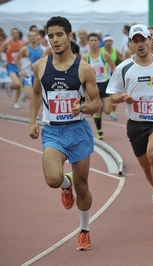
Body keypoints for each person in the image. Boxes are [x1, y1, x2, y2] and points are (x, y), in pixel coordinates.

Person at [29, 16, 101, 251]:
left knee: (82, 186)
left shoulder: (84, 68)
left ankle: (84, 230)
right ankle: (63, 183)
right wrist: (32, 121)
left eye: (59, 34)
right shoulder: (40, 66)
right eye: (51, 36)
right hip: (52, 131)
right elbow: (37, 94)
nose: (55, 40)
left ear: (69, 36)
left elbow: (97, 104)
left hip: (78, 131)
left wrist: (83, 107)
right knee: (52, 179)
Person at [106, 24, 153, 222]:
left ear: (149, 40)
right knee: (147, 168)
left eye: (142, 39)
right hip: (136, 123)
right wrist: (123, 98)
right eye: (135, 41)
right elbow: (112, 97)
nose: (140, 44)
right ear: (130, 45)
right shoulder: (124, 68)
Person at [83, 32, 115, 139]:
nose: (93, 43)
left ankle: (100, 108)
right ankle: (99, 131)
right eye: (91, 41)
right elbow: (82, 72)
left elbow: (113, 66)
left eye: (95, 40)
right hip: (93, 85)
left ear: (99, 42)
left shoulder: (104, 54)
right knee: (96, 110)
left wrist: (114, 81)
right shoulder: (85, 57)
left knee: (107, 111)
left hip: (104, 84)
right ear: (88, 42)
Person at [14, 30, 43, 101]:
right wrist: (21, 70)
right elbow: (16, 58)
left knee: (38, 96)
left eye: (34, 36)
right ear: (29, 38)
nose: (33, 37)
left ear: (37, 37)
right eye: (31, 36)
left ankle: (24, 91)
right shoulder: (25, 49)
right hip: (27, 76)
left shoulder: (41, 49)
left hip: (36, 76)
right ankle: (18, 98)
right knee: (33, 98)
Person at [101, 34, 124, 121]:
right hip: (103, 77)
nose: (108, 43)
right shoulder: (101, 51)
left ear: (112, 41)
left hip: (113, 75)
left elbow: (120, 61)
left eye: (110, 41)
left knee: (115, 95)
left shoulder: (116, 51)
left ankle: (112, 113)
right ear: (104, 42)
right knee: (104, 97)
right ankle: (103, 107)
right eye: (106, 41)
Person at [0, 28, 23, 109]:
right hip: (10, 66)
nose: (15, 35)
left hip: (19, 66)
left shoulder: (21, 43)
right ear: (11, 34)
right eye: (14, 33)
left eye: (17, 33)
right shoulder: (7, 43)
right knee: (17, 83)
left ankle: (15, 102)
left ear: (18, 34)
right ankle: (9, 86)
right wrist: (2, 61)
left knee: (19, 86)